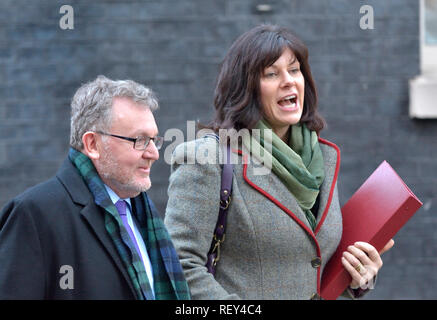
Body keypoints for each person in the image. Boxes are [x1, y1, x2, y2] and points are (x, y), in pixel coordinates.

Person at [164, 25, 394, 300]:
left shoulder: (320, 159)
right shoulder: (206, 159)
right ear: (245, 88)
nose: (288, 81)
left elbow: (316, 268)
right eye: (272, 74)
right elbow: (180, 265)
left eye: (294, 70)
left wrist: (357, 280)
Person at [0, 75, 190, 300]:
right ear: (92, 144)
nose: (154, 154)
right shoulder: (33, 214)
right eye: (139, 140)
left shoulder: (142, 214)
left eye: (154, 140)